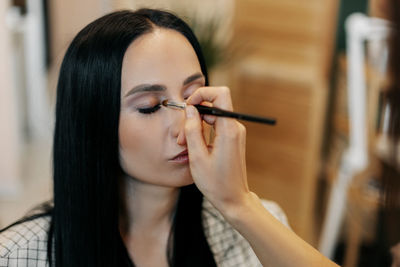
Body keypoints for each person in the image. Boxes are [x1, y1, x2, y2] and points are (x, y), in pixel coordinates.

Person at [0, 9, 338, 267]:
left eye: (194, 97)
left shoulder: (255, 226)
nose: (186, 126)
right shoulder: (19, 255)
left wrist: (239, 205)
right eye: (150, 106)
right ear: (92, 122)